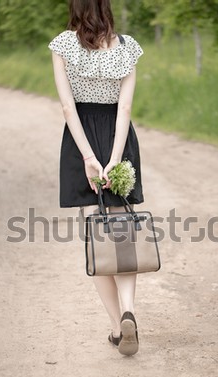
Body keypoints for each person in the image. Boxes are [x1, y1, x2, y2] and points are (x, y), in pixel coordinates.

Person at [48, 0, 144, 356]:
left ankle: (118, 326)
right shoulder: (128, 47)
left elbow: (67, 106)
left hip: (81, 140)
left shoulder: (63, 45)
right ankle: (130, 307)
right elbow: (126, 108)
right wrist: (115, 159)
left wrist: (89, 158)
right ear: (106, 8)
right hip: (118, 139)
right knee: (122, 233)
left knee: (97, 238)